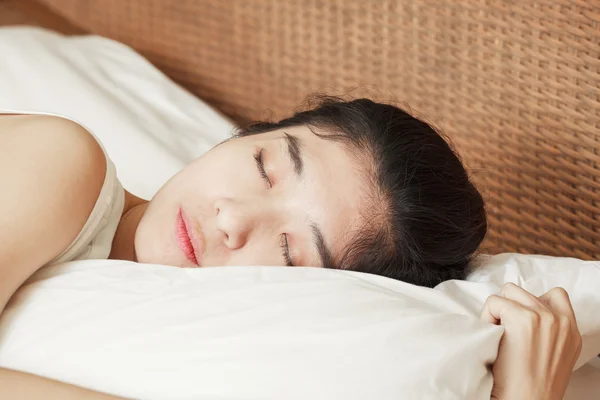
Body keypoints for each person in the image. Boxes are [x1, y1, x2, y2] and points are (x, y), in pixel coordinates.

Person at [0, 96, 582, 398]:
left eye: (289, 251)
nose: (231, 220)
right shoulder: (63, 162)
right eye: (263, 166)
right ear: (246, 134)